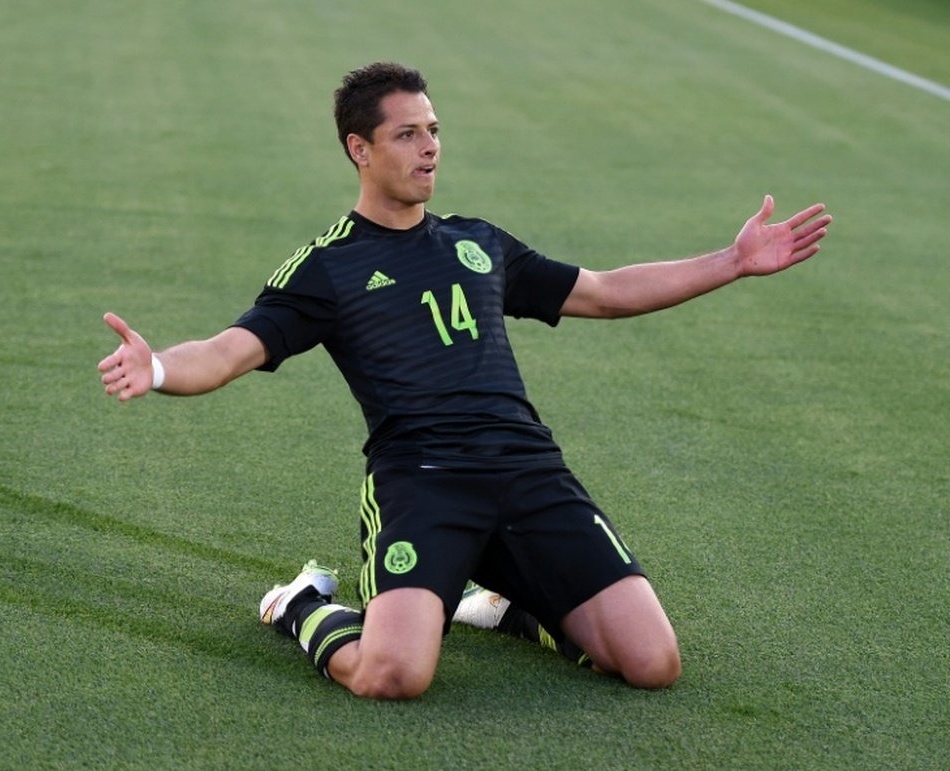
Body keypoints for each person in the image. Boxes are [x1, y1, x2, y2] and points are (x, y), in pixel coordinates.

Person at [98, 61, 831, 700]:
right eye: (408, 134)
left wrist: (729, 263)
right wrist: (158, 365)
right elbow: (230, 349)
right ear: (360, 149)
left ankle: (504, 605)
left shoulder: (478, 242)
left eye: (434, 128)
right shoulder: (329, 267)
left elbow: (603, 290)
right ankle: (298, 605)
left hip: (527, 471)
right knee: (392, 676)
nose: (431, 147)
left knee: (653, 663)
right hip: (424, 484)